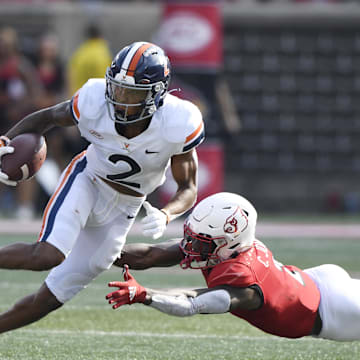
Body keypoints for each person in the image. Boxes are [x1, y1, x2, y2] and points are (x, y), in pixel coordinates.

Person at [0, 41, 204, 333]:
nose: (120, 98)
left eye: (132, 93)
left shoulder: (179, 121)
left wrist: (168, 213)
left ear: (157, 94)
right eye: (118, 88)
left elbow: (188, 188)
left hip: (127, 206)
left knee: (51, 298)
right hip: (89, 180)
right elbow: (45, 118)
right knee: (48, 254)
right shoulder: (94, 99)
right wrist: (5, 141)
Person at [107, 192, 360, 342]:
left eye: (201, 241)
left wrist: (144, 295)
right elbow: (149, 255)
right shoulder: (225, 248)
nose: (191, 246)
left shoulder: (246, 284)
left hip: (335, 311)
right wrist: (90, 254)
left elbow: (191, 302)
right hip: (316, 280)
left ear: (230, 243)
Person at [67, 23, 112, 96]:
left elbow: (70, 76)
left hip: (77, 98)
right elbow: (104, 81)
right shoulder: (102, 53)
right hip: (95, 100)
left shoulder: (79, 53)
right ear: (100, 36)